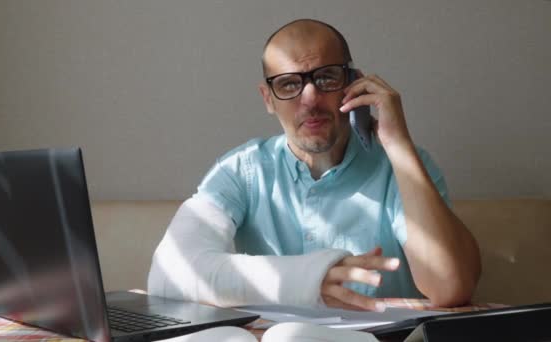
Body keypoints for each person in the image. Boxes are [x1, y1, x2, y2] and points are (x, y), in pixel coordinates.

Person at [148, 19, 481, 311]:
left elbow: (450, 289)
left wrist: (399, 146)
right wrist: (307, 280)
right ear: (268, 99)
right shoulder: (240, 170)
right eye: (289, 84)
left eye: (325, 78)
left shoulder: (405, 165)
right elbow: (169, 274)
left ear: (354, 84)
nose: (309, 98)